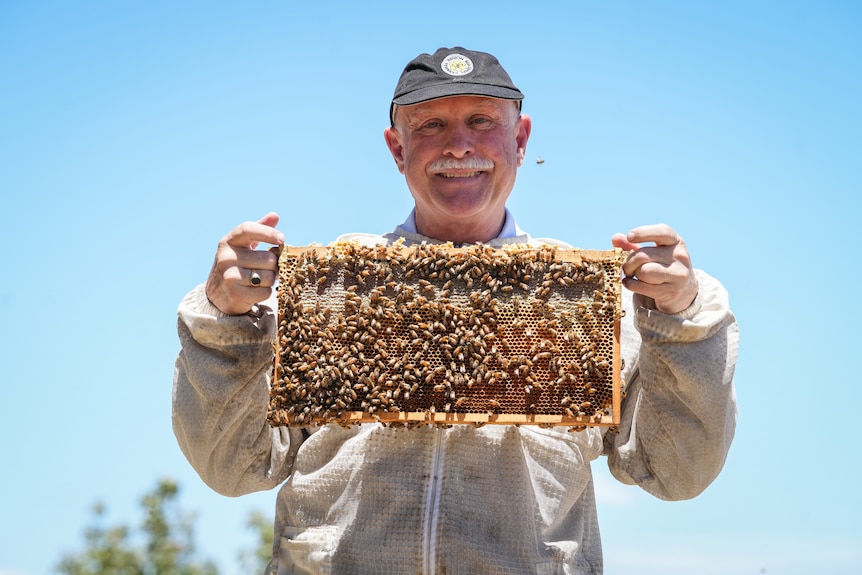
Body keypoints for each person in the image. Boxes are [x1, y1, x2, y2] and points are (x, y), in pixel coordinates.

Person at [173, 47, 738, 575]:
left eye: (482, 122)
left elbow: (676, 472)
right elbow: (234, 467)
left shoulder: (582, 298)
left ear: (521, 138)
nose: (459, 146)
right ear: (397, 148)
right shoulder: (332, 289)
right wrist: (223, 323)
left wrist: (682, 318)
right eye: (432, 125)